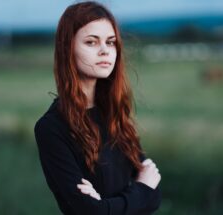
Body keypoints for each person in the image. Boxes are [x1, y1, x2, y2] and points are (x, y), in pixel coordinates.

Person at [34, 1, 162, 214]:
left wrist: (105, 206)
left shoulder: (114, 114)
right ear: (68, 48)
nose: (105, 51)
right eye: (91, 42)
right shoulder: (51, 128)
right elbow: (90, 212)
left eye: (110, 42)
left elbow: (155, 195)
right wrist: (141, 189)